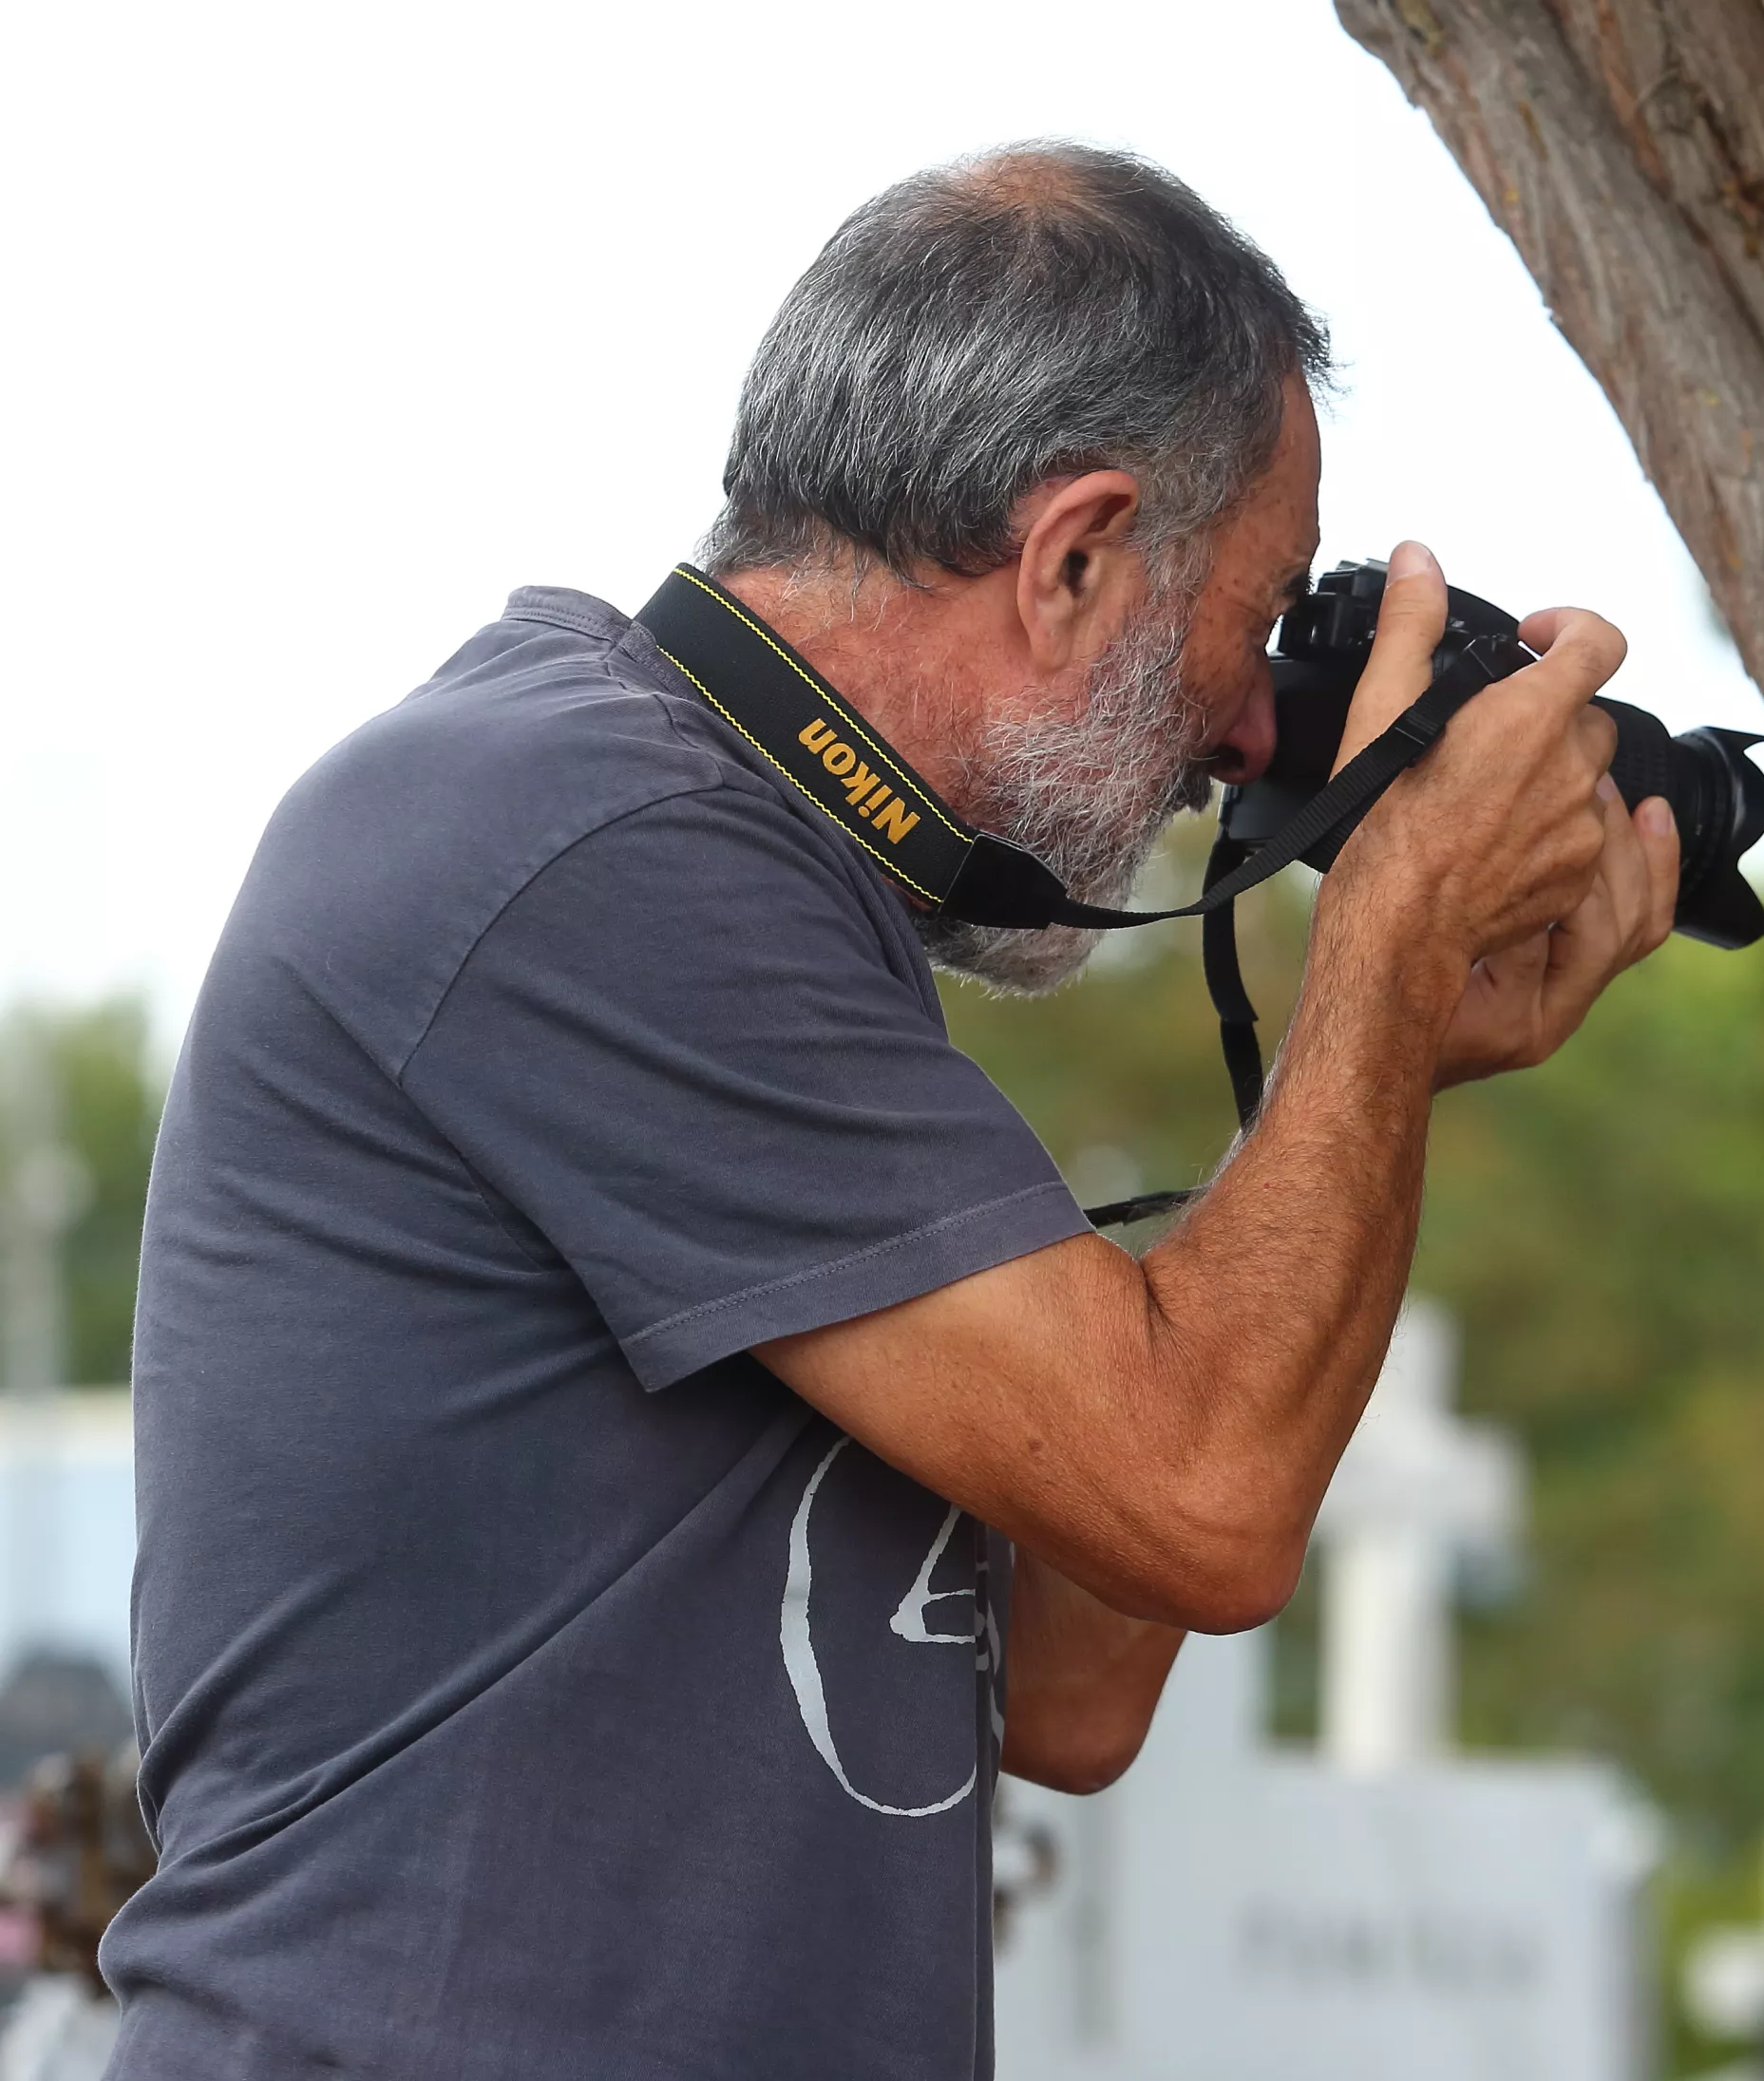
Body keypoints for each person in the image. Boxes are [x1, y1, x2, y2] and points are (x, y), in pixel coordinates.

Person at [104, 145, 1678, 2079]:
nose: (1250, 734)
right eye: (1251, 620)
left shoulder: (732, 881)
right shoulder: (582, 840)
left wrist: (1398, 1031)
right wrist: (1386, 928)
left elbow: (1081, 1686)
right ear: (1075, 554)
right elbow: (1205, 1500)